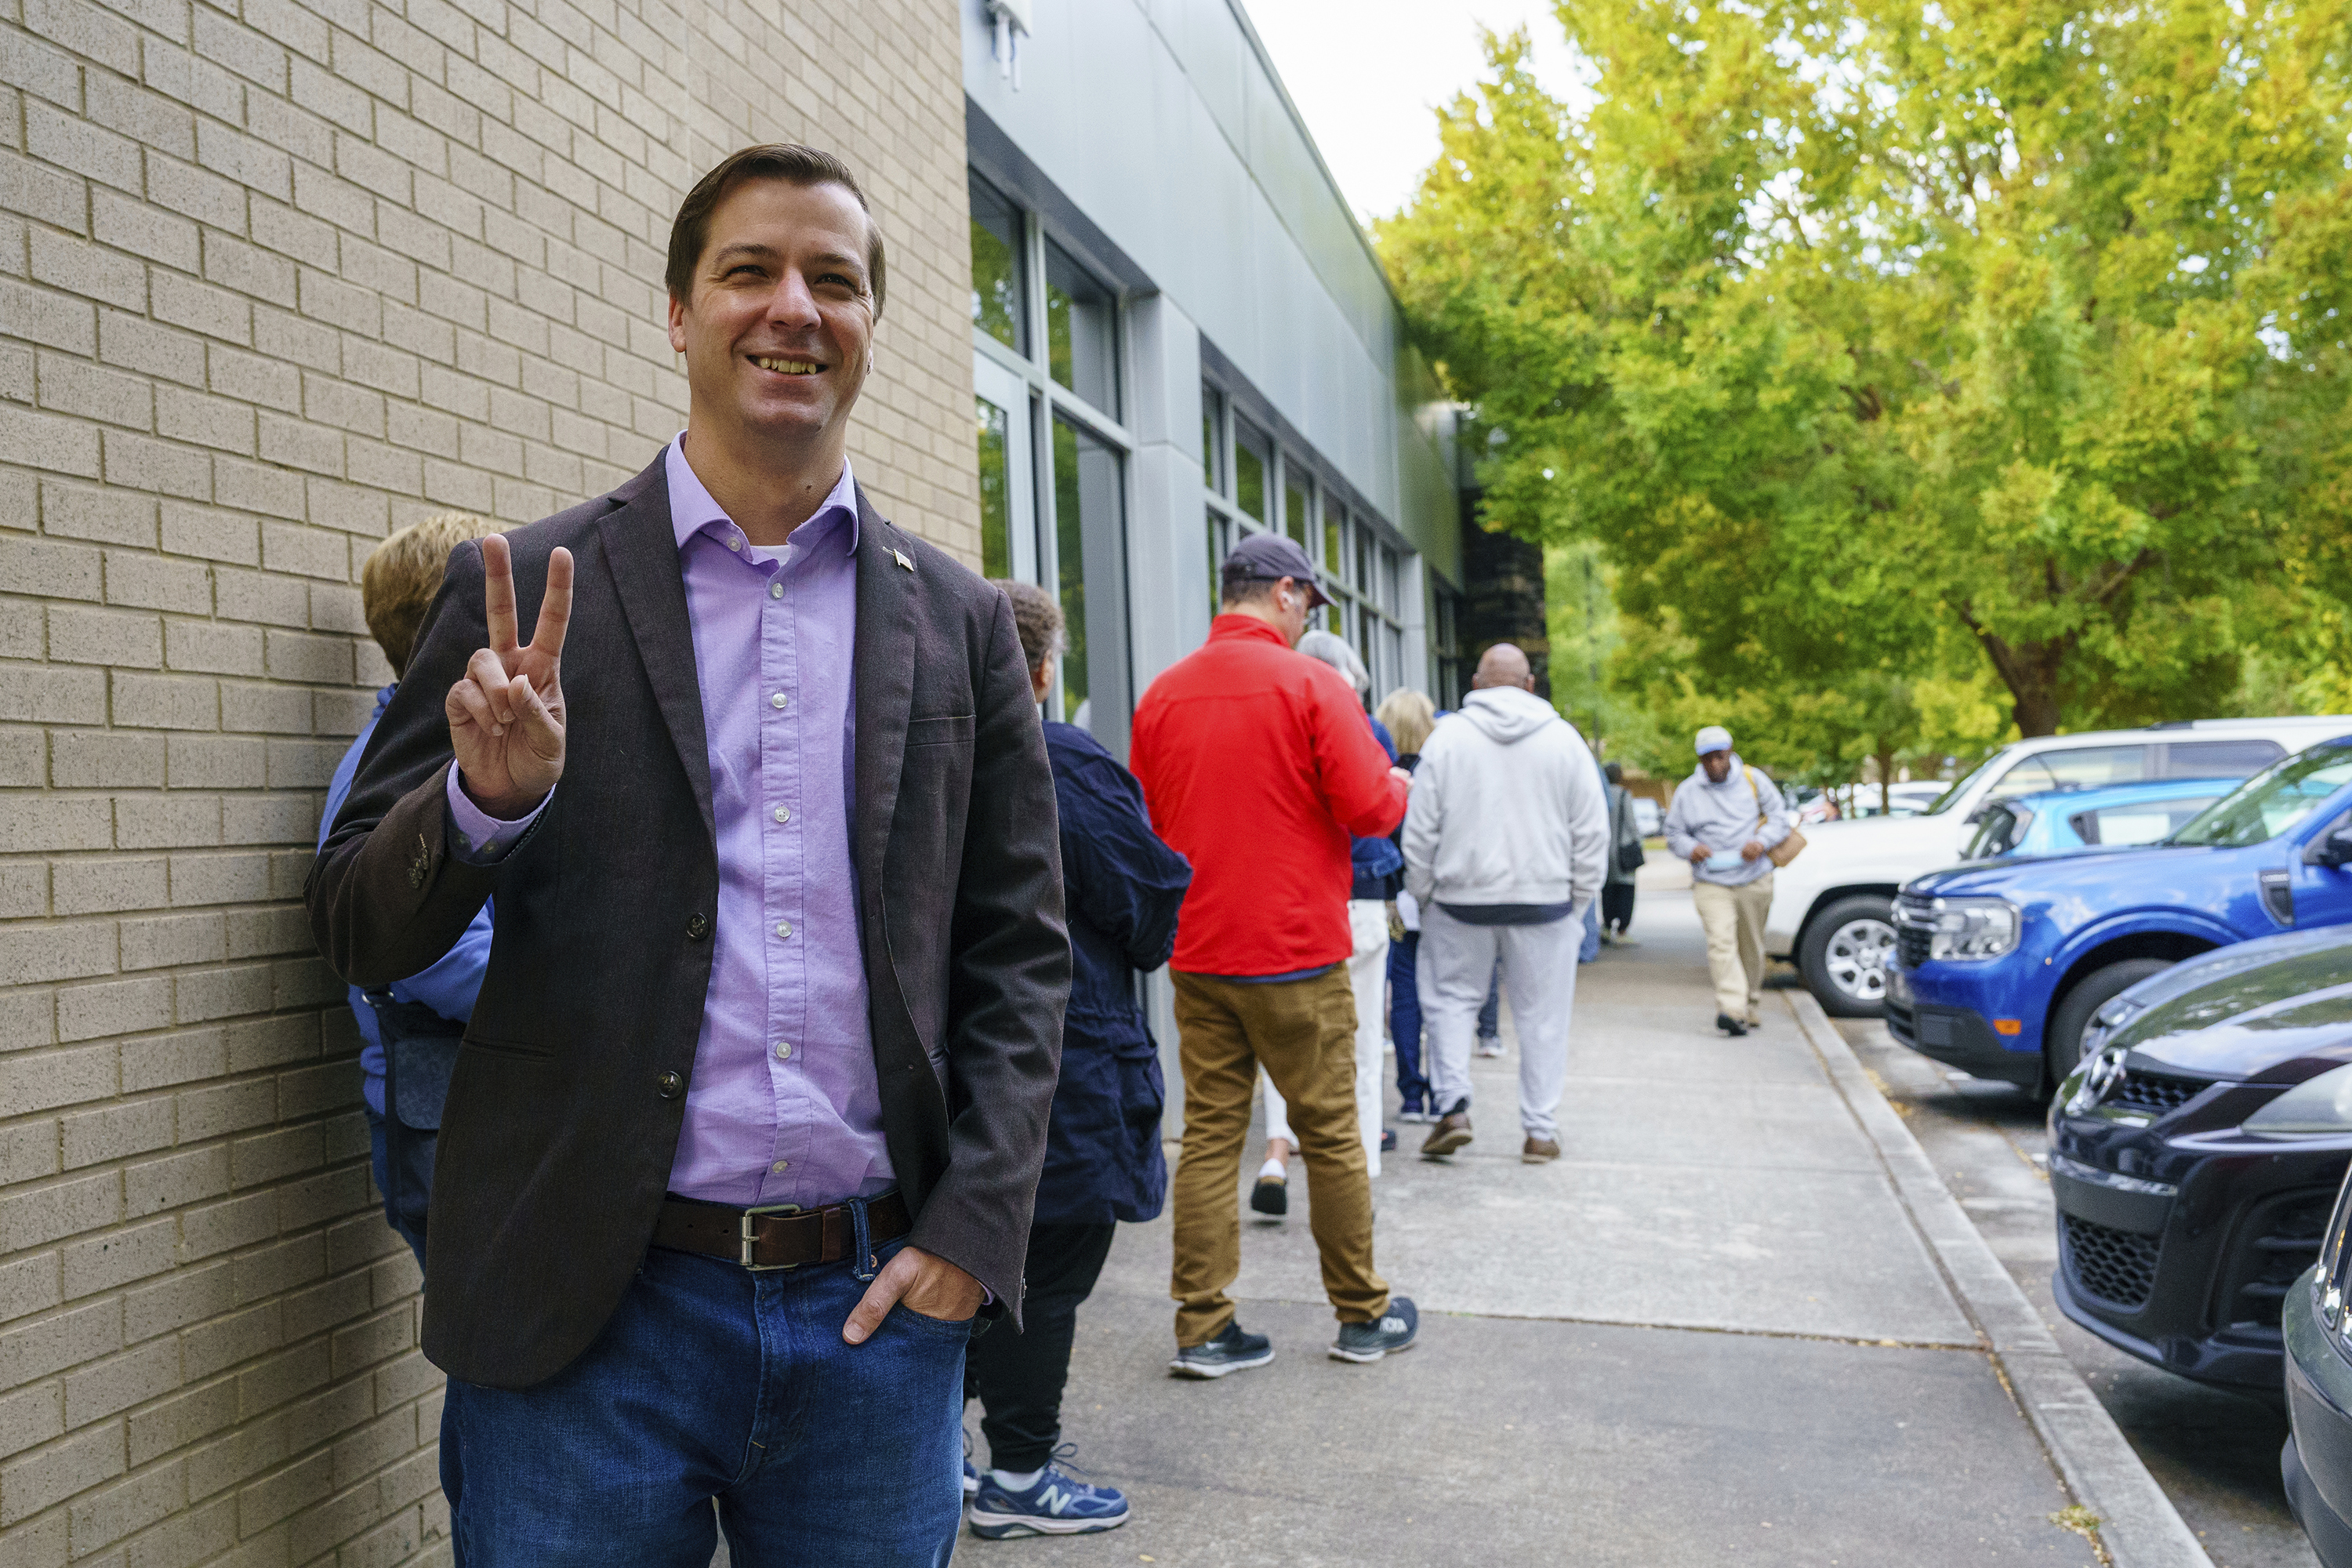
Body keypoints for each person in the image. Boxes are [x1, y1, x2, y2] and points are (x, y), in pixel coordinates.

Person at [307, 145, 1069, 1566]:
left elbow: (1020, 953)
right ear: (677, 315)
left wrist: (975, 1229)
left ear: (869, 327)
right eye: (750, 271)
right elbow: (357, 923)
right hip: (588, 1328)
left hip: (877, 1320)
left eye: (833, 281)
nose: (795, 307)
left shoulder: (956, 627)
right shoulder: (527, 594)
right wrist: (479, 808)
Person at [1131, 532, 1421, 1374]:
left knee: (1213, 1137)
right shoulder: (1309, 684)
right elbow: (1370, 809)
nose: (1304, 621)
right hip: (1296, 949)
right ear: (1286, 593)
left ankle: (1203, 1325)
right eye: (1307, 606)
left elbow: (1146, 820)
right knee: (1329, 1133)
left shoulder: (1164, 695)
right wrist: (1399, 780)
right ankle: (1362, 1312)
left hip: (1201, 949)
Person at [963, 583, 1191, 1540]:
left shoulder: (909, 751)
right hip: (1060, 1057)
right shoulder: (1062, 763)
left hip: (945, 1060)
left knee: (966, 1261)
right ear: (1046, 671)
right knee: (1043, 1266)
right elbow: (1145, 911)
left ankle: (943, 1450)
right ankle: (1018, 1472)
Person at [318, 512, 502, 1269]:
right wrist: (588, 996)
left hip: (480, 1105)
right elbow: (430, 951)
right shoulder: (383, 780)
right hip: (451, 1119)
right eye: (497, 601)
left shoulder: (474, 752)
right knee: (497, 1367)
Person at [1403, 643, 1610, 1164]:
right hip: (1545, 902)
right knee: (1543, 1019)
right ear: (1530, 684)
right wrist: (1578, 900)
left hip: (1459, 900)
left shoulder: (1446, 740)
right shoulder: (1565, 743)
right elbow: (1591, 832)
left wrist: (1424, 892)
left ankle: (1452, 1108)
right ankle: (1539, 1131)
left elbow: (1420, 830)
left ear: (1476, 684)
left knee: (1450, 1002)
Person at [1253, 628, 1397, 1214]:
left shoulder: (1271, 723)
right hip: (1358, 899)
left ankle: (1276, 1156)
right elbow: (1376, 815)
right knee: (1359, 1045)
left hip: (1287, 903)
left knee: (1280, 1044)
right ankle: (1359, 1166)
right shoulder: (1363, 725)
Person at [1664, 725, 1791, 1036]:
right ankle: (1731, 1008)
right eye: (1707, 759)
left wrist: (1761, 841)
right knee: (1721, 942)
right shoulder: (1688, 791)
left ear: (1730, 753)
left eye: (1719, 757)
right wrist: (1692, 849)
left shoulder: (1753, 780)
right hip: (1711, 880)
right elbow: (1673, 833)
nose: (1714, 765)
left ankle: (1749, 1002)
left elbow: (1780, 818)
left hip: (1753, 876)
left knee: (1751, 946)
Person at [1375, 689, 1436, 1121]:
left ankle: (1411, 1094)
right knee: (1445, 999)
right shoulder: (1440, 772)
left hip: (1393, 903)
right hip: (1436, 899)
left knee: (1405, 999)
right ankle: (1447, 1093)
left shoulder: (1380, 774)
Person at [1601, 760, 1642, 945]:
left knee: (1608, 890)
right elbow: (1631, 823)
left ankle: (1607, 927)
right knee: (1626, 890)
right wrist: (1638, 842)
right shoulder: (1624, 795)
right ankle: (1623, 931)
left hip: (1605, 850)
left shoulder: (1600, 794)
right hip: (1623, 850)